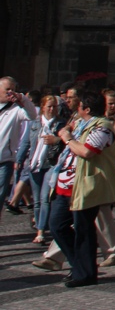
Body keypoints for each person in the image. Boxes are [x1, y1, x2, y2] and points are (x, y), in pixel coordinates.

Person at [49, 90, 115, 288]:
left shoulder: (103, 128)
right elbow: (67, 131)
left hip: (86, 185)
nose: (76, 109)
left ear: (86, 109)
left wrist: (68, 139)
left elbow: (87, 152)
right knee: (57, 226)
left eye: (79, 106)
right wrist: (66, 133)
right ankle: (80, 265)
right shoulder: (81, 123)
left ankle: (85, 273)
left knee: (83, 230)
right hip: (66, 184)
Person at [22, 95, 66, 245]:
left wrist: (57, 139)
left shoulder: (61, 124)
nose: (52, 109)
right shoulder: (35, 123)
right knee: (36, 201)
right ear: (43, 107)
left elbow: (66, 140)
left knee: (44, 197)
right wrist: (19, 160)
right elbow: (26, 142)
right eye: (49, 106)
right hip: (35, 163)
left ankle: (41, 231)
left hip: (51, 164)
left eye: (54, 106)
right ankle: (39, 226)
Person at [0, 76, 38, 226]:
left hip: (4, 161)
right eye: (7, 89)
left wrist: (22, 98)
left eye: (13, 90)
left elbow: (32, 115)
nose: (10, 93)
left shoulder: (17, 110)